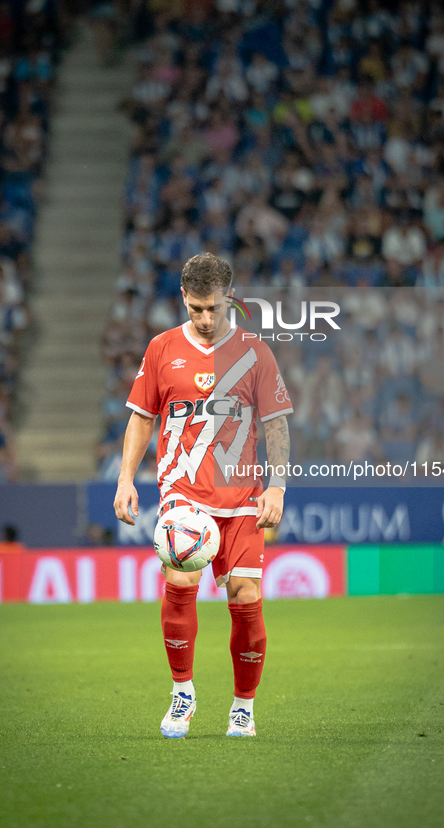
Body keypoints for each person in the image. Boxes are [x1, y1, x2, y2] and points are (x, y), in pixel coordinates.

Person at [113, 253, 293, 738]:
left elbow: (275, 423)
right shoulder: (162, 348)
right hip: (183, 493)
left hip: (242, 499)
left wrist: (277, 484)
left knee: (247, 597)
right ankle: (182, 694)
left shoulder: (255, 352)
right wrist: (126, 478)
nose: (206, 319)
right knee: (180, 581)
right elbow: (141, 417)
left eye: (214, 308)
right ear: (183, 298)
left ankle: (243, 708)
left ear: (230, 299)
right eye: (196, 309)